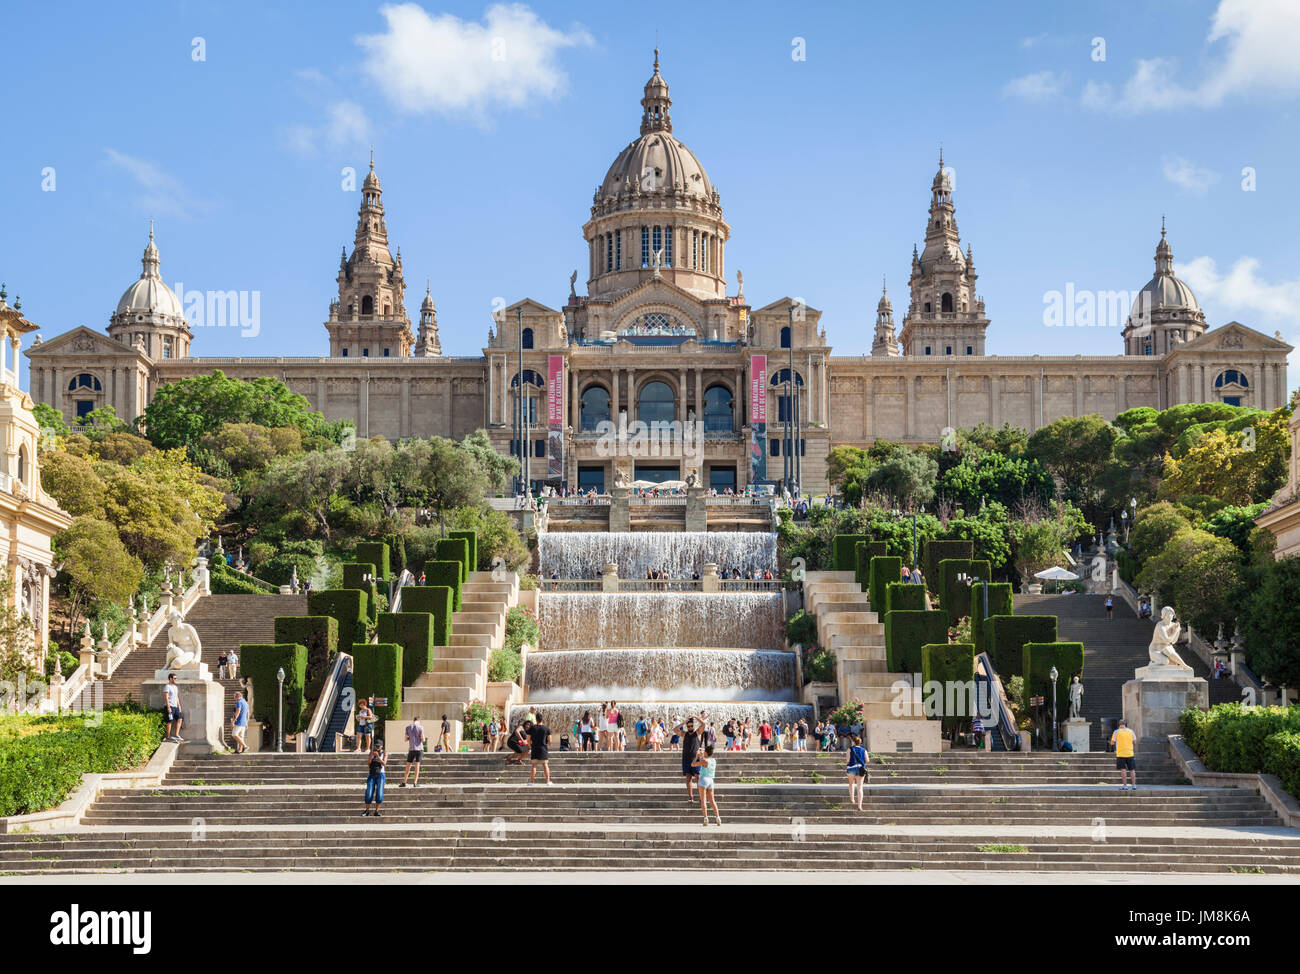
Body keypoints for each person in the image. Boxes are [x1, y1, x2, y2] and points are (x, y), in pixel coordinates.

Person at [675, 717, 703, 802]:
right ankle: (690, 797)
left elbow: (703, 724)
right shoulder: (684, 734)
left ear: (694, 725)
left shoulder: (698, 732)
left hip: (696, 759)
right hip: (686, 759)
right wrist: (684, 722)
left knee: (698, 777)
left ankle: (701, 797)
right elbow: (675, 729)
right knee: (688, 778)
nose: (690, 727)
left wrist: (695, 717)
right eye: (688, 726)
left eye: (691, 726)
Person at [693, 743, 722, 826]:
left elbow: (693, 764)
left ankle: (706, 818)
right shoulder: (714, 761)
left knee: (703, 801)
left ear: (706, 752)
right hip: (711, 780)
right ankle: (718, 817)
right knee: (712, 800)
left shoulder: (705, 761)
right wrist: (702, 756)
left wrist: (696, 756)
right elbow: (705, 761)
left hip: (703, 779)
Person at [1110, 718, 1138, 790]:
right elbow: (1134, 742)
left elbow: (1112, 742)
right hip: (1130, 753)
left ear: (1119, 725)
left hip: (1120, 754)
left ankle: (1125, 785)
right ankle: (1134, 785)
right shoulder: (1131, 731)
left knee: (1123, 770)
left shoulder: (1116, 732)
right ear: (1125, 724)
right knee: (1132, 770)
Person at [528, 711, 553, 785]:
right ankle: (548, 781)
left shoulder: (532, 728)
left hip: (535, 748)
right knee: (545, 765)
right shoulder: (546, 729)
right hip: (543, 749)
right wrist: (546, 744)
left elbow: (528, 739)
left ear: (536, 719)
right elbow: (550, 740)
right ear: (542, 719)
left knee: (534, 765)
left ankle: (531, 782)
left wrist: (530, 746)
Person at [845, 735, 869, 811]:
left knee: (851, 784)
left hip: (851, 768)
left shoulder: (850, 749)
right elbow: (867, 760)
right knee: (860, 787)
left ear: (853, 742)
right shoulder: (864, 750)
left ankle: (852, 799)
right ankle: (859, 806)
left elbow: (847, 760)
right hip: (861, 769)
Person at [363, 741, 386, 816]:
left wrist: (378, 757)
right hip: (372, 774)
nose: (377, 748)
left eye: (379, 746)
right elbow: (369, 763)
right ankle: (367, 811)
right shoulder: (372, 753)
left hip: (381, 774)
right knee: (369, 792)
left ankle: (377, 811)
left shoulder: (384, 753)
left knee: (379, 793)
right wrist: (371, 756)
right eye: (376, 746)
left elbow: (384, 763)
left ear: (382, 746)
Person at [401, 716, 425, 787]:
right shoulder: (421, 727)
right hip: (419, 749)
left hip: (411, 749)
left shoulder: (408, 727)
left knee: (408, 766)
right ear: (419, 721)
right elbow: (423, 739)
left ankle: (404, 782)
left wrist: (410, 738)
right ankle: (415, 782)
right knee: (417, 766)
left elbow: (405, 739)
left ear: (413, 720)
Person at [163, 673, 183, 742]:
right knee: (169, 721)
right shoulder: (167, 686)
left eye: (176, 678)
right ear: (170, 679)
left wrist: (179, 705)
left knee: (180, 719)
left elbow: (177, 697)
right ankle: (168, 737)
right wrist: (168, 707)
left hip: (175, 706)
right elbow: (166, 697)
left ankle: (176, 735)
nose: (176, 679)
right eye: (174, 678)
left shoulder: (175, 687)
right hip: (170, 706)